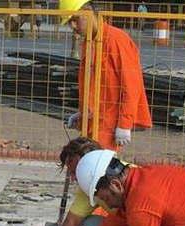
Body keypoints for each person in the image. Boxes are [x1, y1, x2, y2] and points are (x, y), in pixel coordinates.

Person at [59, 0, 151, 151]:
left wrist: (124, 124)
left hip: (109, 122)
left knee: (97, 168)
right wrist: (82, 113)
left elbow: (131, 86)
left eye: (75, 20)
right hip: (94, 121)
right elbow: (93, 85)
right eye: (70, 22)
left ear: (89, 12)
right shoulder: (89, 42)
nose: (73, 27)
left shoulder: (116, 40)